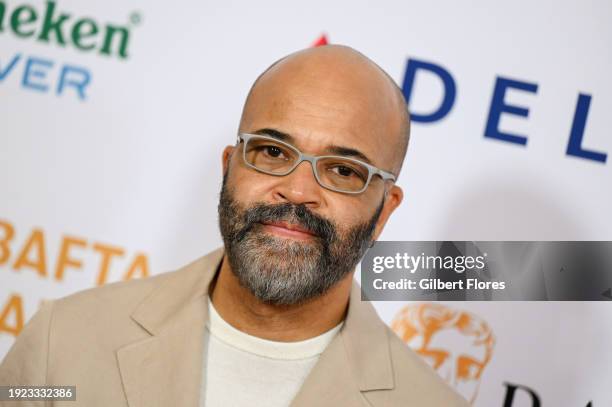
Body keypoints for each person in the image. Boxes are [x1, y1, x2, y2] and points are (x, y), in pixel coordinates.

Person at [0, 45, 468, 406]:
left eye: (343, 171)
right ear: (230, 167)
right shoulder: (62, 342)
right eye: (273, 152)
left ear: (385, 210)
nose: (297, 189)